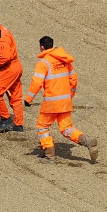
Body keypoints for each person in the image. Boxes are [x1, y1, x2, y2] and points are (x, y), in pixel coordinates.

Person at [23, 35, 98, 164]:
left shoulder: (43, 63)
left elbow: (36, 83)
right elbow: (73, 79)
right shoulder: (65, 60)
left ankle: (49, 156)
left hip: (51, 103)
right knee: (66, 128)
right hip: (65, 101)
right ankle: (87, 141)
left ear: (42, 47)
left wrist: (28, 99)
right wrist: (70, 96)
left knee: (42, 127)